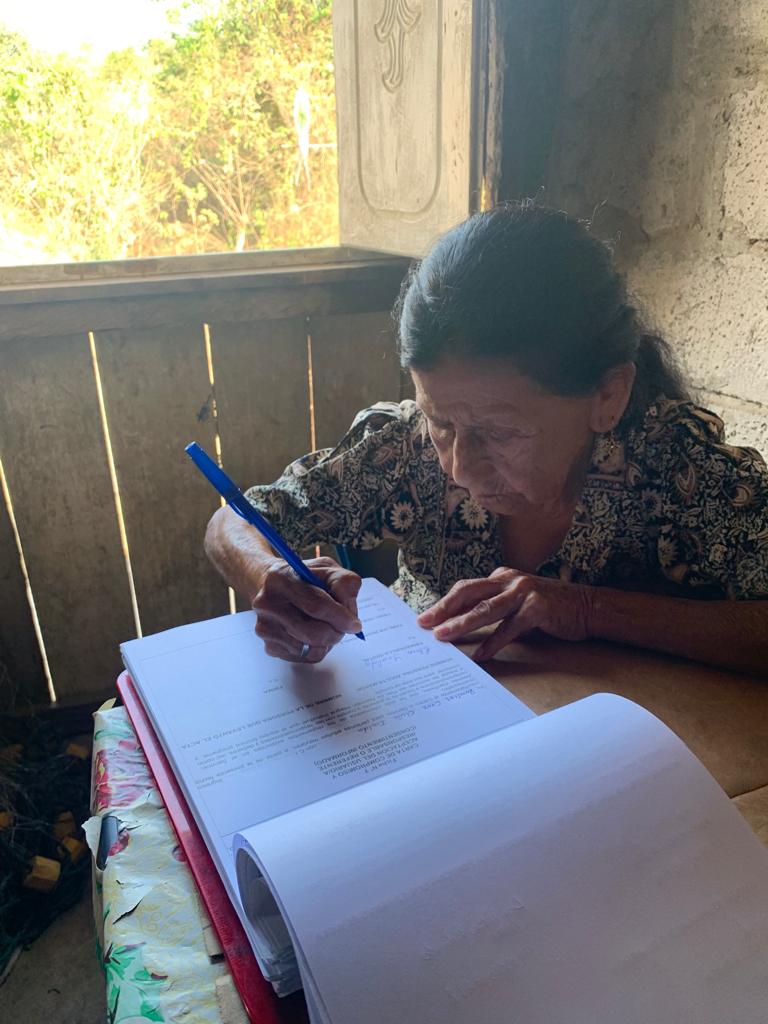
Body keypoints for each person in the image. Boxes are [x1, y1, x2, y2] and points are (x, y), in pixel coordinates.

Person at [205, 203, 768, 674]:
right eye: (441, 422)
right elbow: (235, 519)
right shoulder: (405, 448)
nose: (459, 468)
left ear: (607, 396)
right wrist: (269, 576)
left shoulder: (676, 467)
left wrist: (588, 609)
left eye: (499, 432)